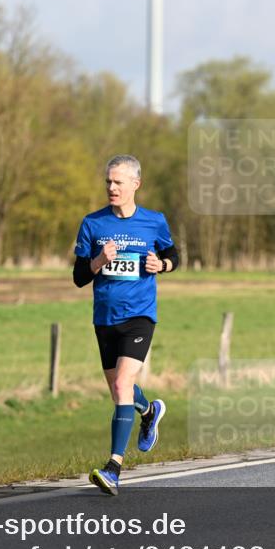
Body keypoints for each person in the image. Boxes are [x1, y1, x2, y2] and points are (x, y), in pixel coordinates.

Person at [72, 155, 179, 495]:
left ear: (136, 184)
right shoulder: (92, 224)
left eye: (118, 182)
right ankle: (149, 411)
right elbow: (78, 277)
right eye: (108, 182)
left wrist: (161, 263)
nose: (111, 188)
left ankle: (114, 468)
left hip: (140, 316)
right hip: (104, 319)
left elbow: (175, 256)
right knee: (121, 391)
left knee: (121, 385)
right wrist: (99, 261)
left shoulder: (154, 222)